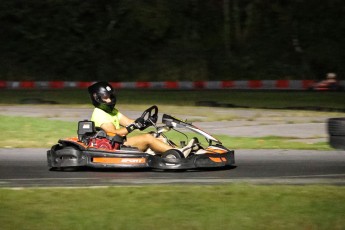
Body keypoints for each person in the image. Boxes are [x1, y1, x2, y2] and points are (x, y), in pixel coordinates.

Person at [87, 81, 194, 155]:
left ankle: (178, 150)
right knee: (148, 138)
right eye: (106, 98)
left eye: (110, 97)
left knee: (155, 135)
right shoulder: (99, 113)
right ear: (97, 98)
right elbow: (114, 133)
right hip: (113, 146)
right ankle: (178, 154)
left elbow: (129, 122)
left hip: (120, 142)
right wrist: (132, 127)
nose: (110, 100)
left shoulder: (112, 111)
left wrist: (144, 122)